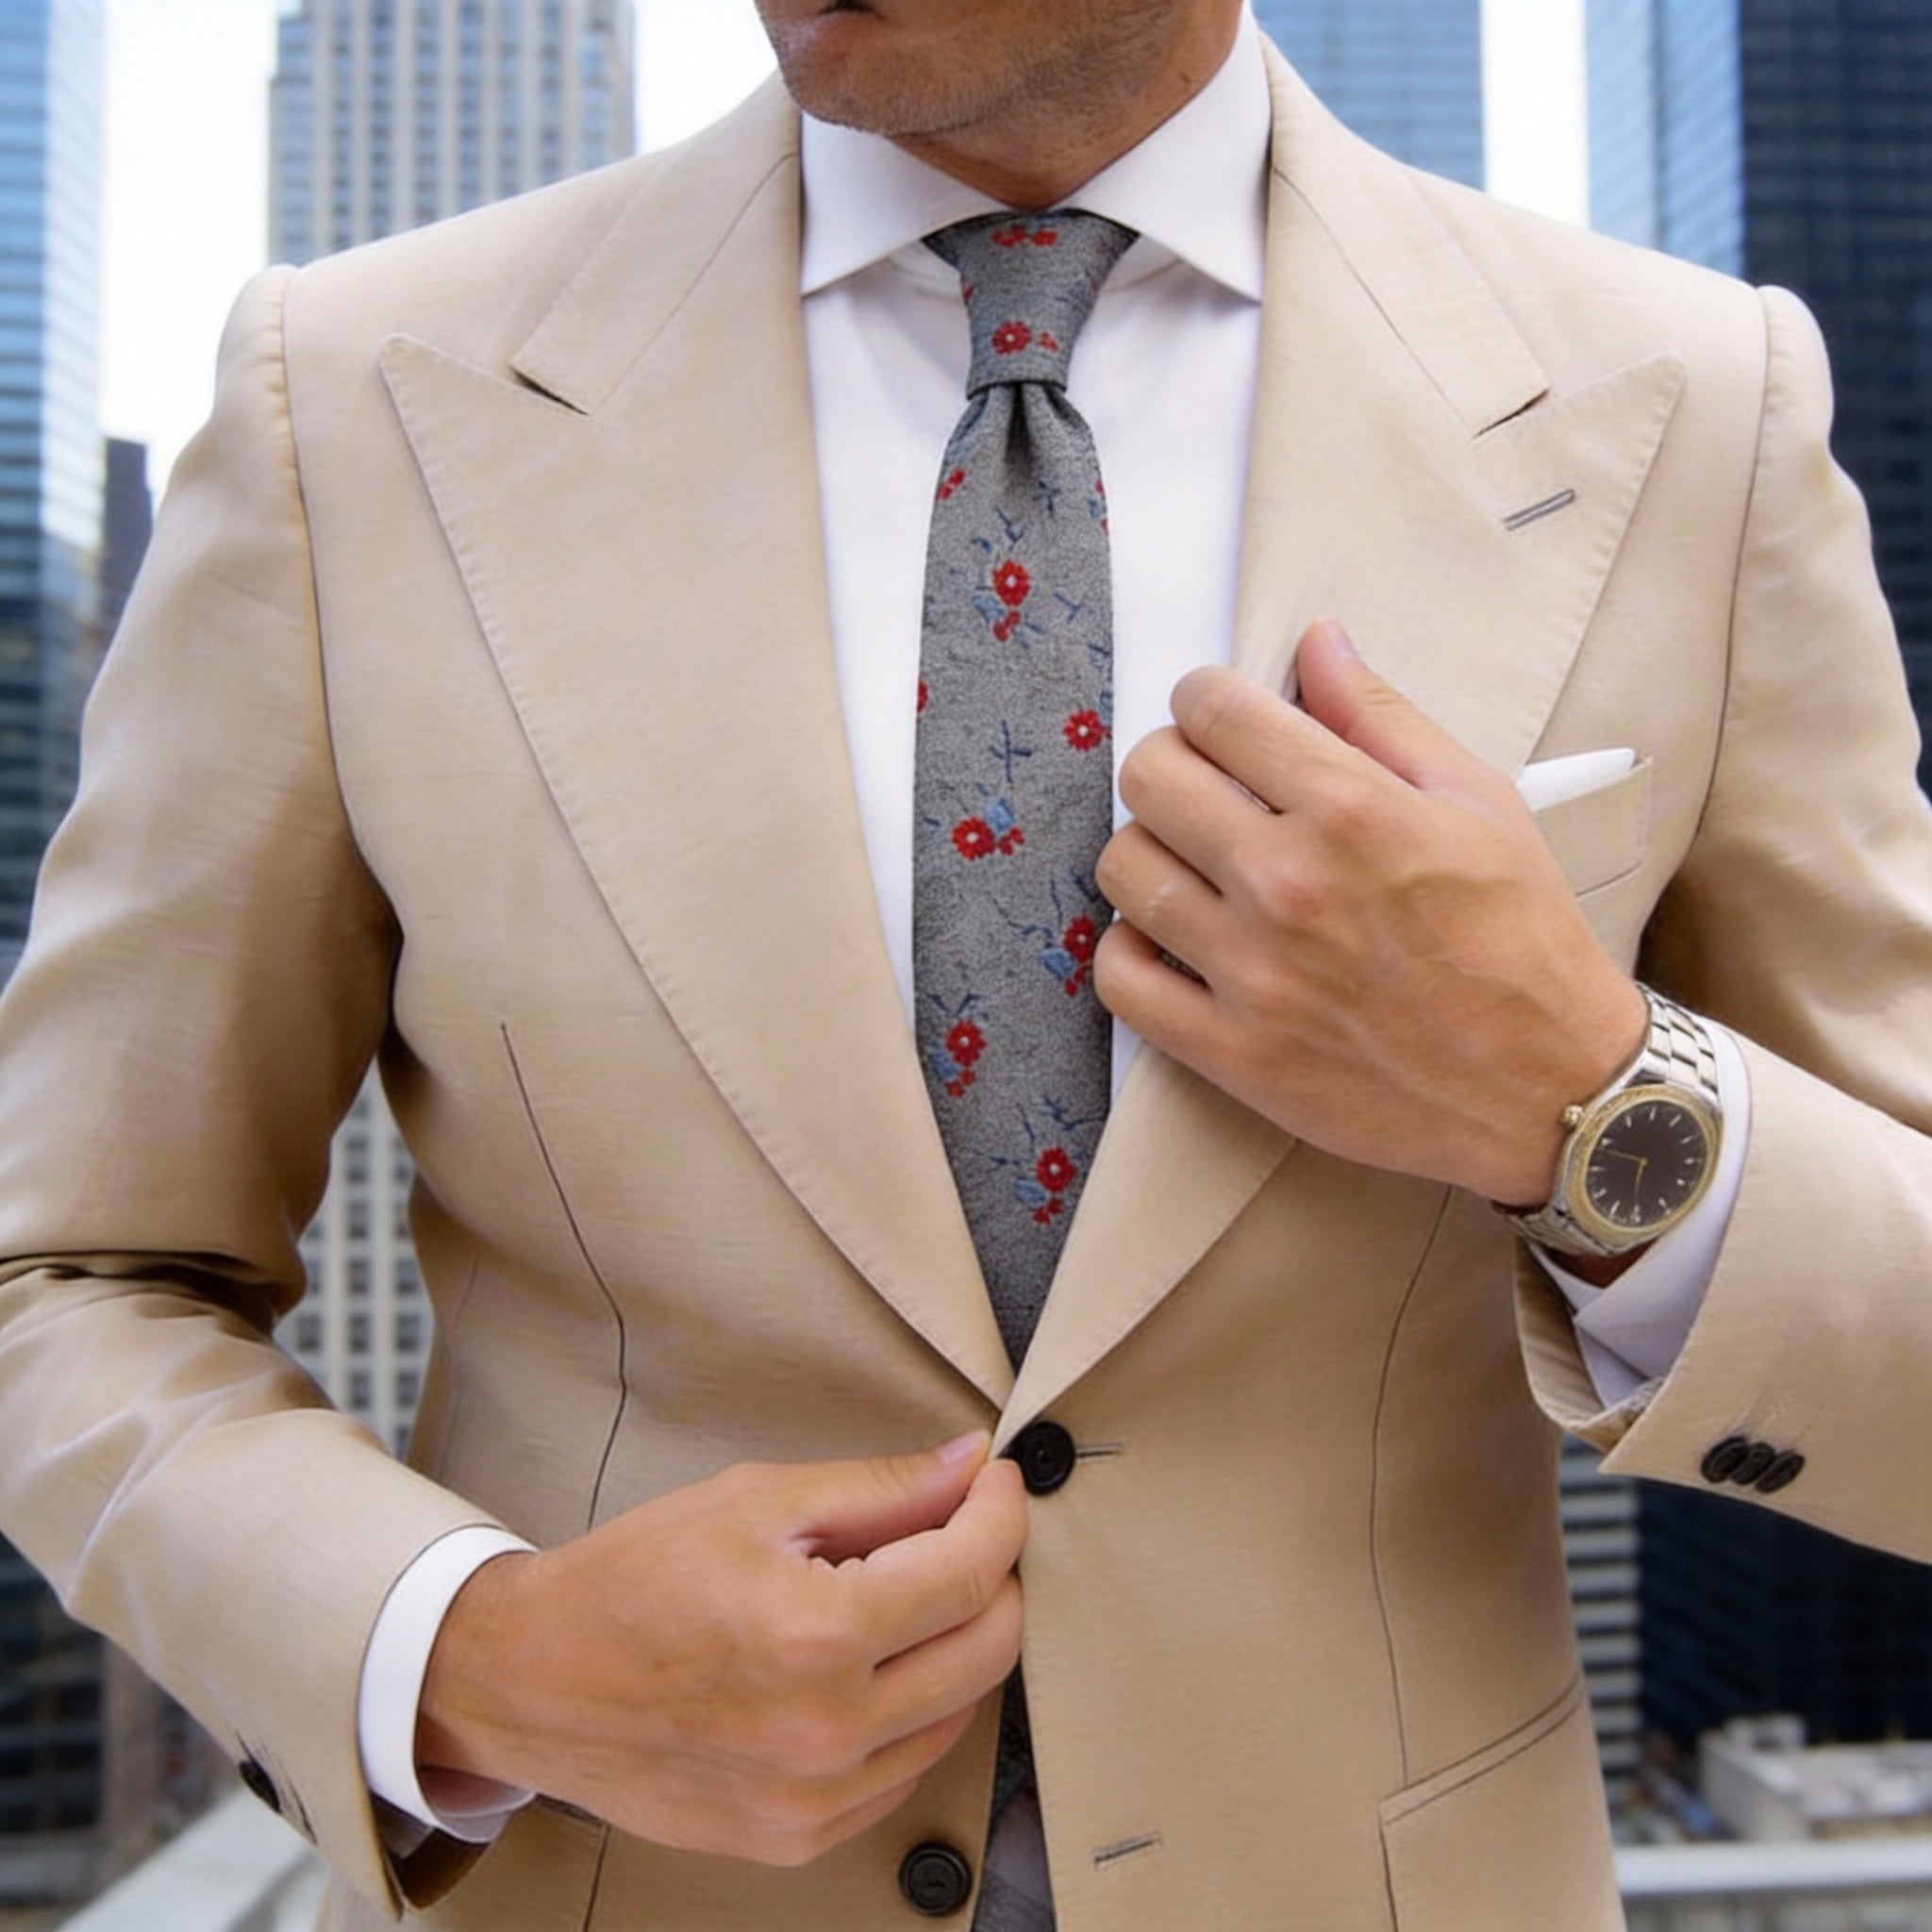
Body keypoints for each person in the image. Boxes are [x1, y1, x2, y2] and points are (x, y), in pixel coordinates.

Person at [0, 0, 1927, 1927]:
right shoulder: (348, 398)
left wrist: (1586, 1099)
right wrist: (470, 1654)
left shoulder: (1691, 404)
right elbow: (66, 1272)